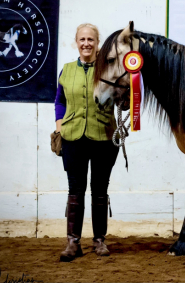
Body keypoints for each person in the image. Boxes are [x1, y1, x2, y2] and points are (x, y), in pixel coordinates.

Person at [54, 23, 119, 262]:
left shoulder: (110, 68)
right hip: (73, 138)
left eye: (90, 39)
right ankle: (73, 242)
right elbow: (59, 100)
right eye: (82, 39)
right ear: (76, 42)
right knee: (75, 190)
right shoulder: (67, 70)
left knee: (100, 191)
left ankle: (99, 241)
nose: (86, 44)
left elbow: (122, 98)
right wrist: (59, 123)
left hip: (103, 136)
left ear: (97, 42)